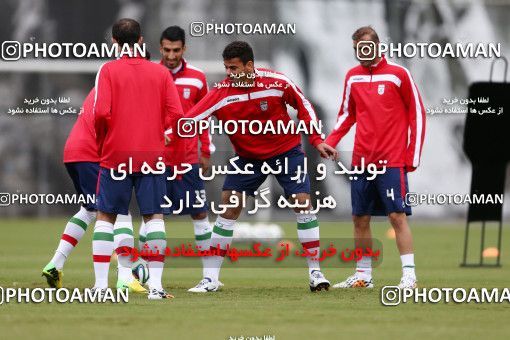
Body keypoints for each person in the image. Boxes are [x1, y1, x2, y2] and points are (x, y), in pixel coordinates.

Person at [184, 41, 338, 293]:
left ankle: (315, 272)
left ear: (250, 66)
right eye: (226, 69)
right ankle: (210, 279)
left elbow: (304, 105)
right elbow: (189, 120)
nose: (230, 74)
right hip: (247, 157)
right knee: (229, 207)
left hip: (285, 151)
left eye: (234, 68)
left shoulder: (276, 82)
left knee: (302, 201)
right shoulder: (221, 93)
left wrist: (317, 140)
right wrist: (166, 135)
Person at [325, 26, 426, 289]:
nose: (362, 53)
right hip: (361, 162)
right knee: (360, 218)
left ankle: (409, 276)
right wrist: (330, 141)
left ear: (379, 46)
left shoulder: (398, 74)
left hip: (391, 160)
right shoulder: (352, 77)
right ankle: (363, 275)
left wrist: (411, 156)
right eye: (358, 49)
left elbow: (418, 113)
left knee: (397, 216)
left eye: (366, 47)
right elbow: (347, 115)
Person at [93, 18, 183, 299]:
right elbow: (177, 116)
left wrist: (102, 142)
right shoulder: (160, 74)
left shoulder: (107, 70)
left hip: (116, 151)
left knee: (106, 216)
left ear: (114, 42)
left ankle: (100, 287)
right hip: (151, 153)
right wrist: (162, 135)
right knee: (154, 216)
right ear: (142, 41)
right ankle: (155, 286)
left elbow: (100, 114)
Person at [138, 26, 217, 285]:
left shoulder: (196, 77)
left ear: (184, 49)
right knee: (151, 215)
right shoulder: (151, 74)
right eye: (166, 49)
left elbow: (205, 115)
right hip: (156, 160)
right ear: (160, 48)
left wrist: (205, 150)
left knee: (200, 214)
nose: (171, 55)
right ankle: (140, 273)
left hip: (187, 160)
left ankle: (210, 277)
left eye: (176, 50)